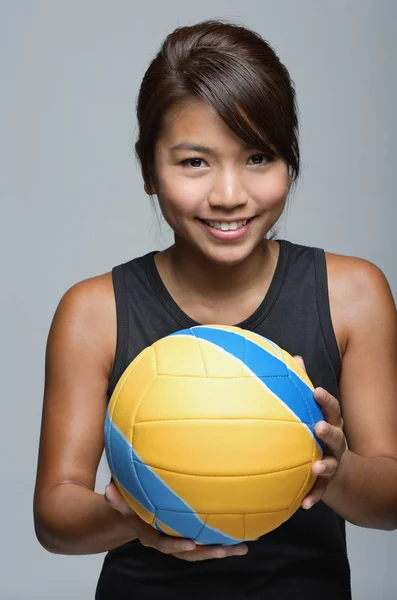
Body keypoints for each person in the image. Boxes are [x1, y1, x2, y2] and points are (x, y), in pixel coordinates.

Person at [33, 19, 397, 600]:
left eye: (259, 156)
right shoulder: (93, 311)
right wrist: (134, 519)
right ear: (149, 169)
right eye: (195, 162)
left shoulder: (352, 294)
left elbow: (391, 501)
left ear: (290, 161)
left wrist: (337, 469)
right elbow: (54, 515)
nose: (229, 194)